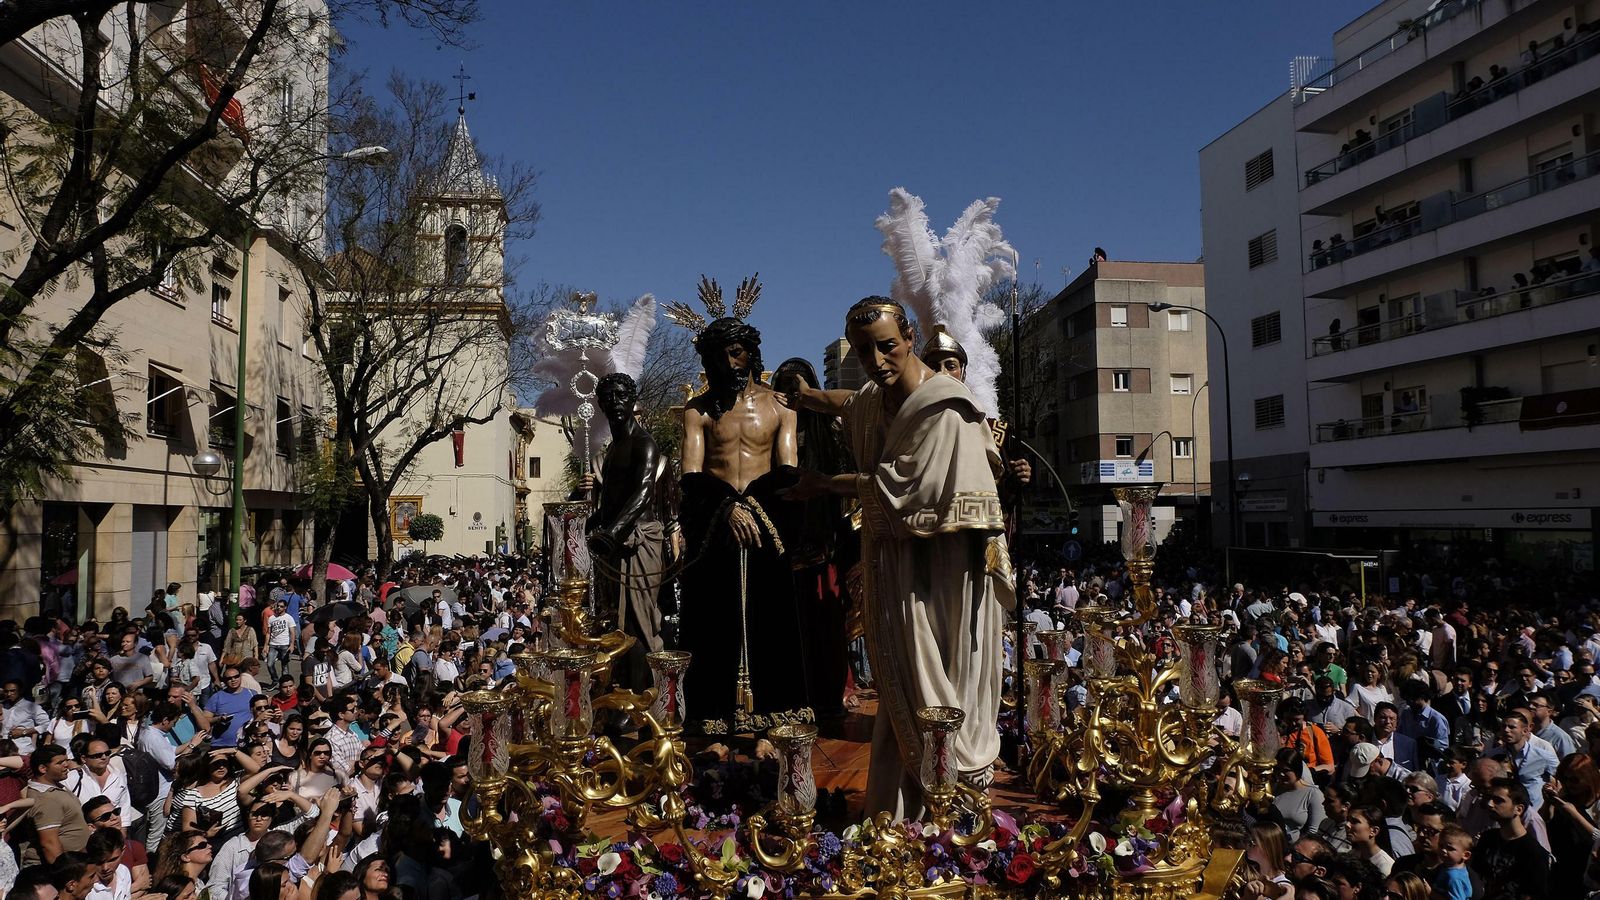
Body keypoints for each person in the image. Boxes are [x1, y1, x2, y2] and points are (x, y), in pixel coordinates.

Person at [789, 297, 1009, 819]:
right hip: (899, 565)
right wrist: (809, 397)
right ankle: (898, 812)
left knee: (939, 678)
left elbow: (899, 491)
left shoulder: (945, 407)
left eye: (887, 347)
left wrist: (824, 484)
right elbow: (851, 402)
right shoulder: (875, 398)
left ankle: (951, 808)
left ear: (910, 339)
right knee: (898, 685)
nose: (877, 360)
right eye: (865, 352)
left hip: (947, 573)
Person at [674, 283, 810, 733]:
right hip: (714, 529)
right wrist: (728, 509)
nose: (727, 365)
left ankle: (771, 723)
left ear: (751, 353)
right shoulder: (697, 412)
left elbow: (787, 471)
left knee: (769, 624)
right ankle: (713, 719)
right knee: (712, 624)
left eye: (735, 353)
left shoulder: (780, 407)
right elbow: (692, 475)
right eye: (717, 357)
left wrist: (750, 507)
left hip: (766, 527)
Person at [582, 373, 672, 694]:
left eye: (621, 396)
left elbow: (642, 494)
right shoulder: (612, 452)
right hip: (615, 546)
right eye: (608, 397)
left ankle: (647, 695)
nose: (615, 403)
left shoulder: (644, 444)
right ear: (601, 405)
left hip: (640, 542)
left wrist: (613, 533)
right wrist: (592, 524)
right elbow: (609, 502)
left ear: (632, 400)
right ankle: (623, 694)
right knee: (616, 623)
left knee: (638, 621)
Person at [1472, 777, 1549, 898]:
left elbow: (1535, 894)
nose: (1490, 804)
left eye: (1498, 800)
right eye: (1489, 798)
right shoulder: (1487, 838)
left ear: (1518, 809)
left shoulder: (1534, 852)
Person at [19, 746, 92, 865]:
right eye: (60, 763)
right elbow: (49, 844)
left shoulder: (56, 787)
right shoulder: (46, 799)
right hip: (56, 870)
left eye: (66, 760)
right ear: (43, 768)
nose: (66, 765)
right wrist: (65, 874)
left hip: (75, 862)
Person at [1270, 748, 1325, 842]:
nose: (1281, 774)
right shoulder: (1274, 788)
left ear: (1297, 770)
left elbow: (1314, 831)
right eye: (1277, 769)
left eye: (1286, 770)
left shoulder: (1313, 794)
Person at [3, 682, 49, 756]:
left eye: (12, 691)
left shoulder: (32, 707)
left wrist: (23, 732)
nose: (9, 694)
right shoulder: (3, 708)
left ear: (20, 691)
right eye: (6, 691)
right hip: (3, 751)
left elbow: (46, 724)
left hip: (22, 751)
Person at [1431, 825, 1473, 900]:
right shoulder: (1449, 867)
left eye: (1450, 848)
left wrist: (1431, 893)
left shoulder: (1454, 878)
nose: (1443, 850)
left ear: (1466, 855)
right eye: (1441, 846)